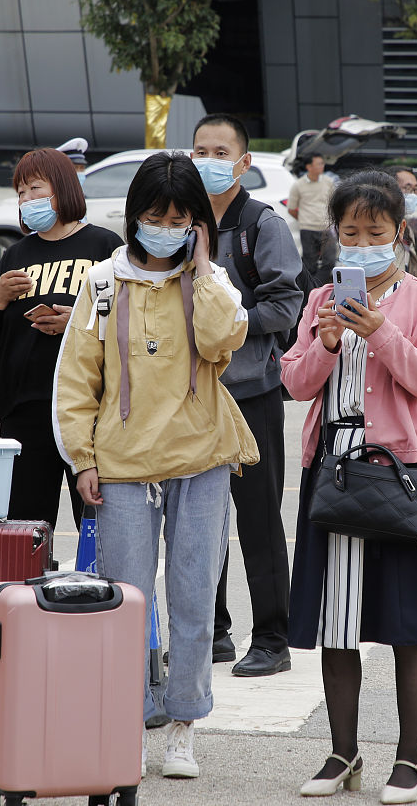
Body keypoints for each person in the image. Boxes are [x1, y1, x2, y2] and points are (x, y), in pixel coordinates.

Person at [54, 151, 258, 780]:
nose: (165, 228)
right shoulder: (102, 284)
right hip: (120, 466)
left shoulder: (213, 283)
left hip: (201, 458)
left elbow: (225, 339)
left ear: (198, 223)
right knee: (125, 602)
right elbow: (75, 380)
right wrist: (82, 459)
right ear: (134, 216)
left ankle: (183, 725)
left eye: (180, 218)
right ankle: (127, 721)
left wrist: (201, 269)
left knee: (195, 598)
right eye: (154, 216)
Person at [283, 170, 417, 805]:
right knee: (338, 620)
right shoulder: (319, 299)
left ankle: (409, 760)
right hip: (333, 470)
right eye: (349, 232)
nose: (360, 243)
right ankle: (342, 751)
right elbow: (296, 385)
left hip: (401, 474)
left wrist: (379, 331)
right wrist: (327, 343)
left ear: (399, 233)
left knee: (412, 623)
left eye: (374, 232)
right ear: (335, 235)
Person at [192, 113, 302, 676]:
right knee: (199, 518)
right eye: (199, 150)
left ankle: (272, 638)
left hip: (251, 389)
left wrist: (226, 326)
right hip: (191, 396)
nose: (208, 160)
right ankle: (213, 630)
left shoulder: (263, 224)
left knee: (257, 517)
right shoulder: (179, 225)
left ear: (243, 162)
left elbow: (286, 306)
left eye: (220, 151)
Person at [0, 148, 121, 528]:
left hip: (90, 410)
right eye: (21, 192)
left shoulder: (104, 247)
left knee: (97, 520)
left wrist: (78, 322)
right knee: (27, 525)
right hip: (25, 409)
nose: (27, 200)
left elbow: (130, 322)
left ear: (64, 188)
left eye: (36, 188)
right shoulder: (17, 253)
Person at [288, 153, 336, 277]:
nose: (322, 166)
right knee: (309, 264)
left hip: (325, 228)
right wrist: (305, 220)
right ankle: (310, 291)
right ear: (309, 167)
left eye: (322, 163)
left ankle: (317, 286)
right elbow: (291, 209)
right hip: (307, 229)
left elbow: (333, 203)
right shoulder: (298, 185)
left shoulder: (328, 182)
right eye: (319, 164)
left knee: (330, 260)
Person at [384, 166, 417, 277]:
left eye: (415, 189)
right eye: (407, 188)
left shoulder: (407, 229)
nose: (413, 194)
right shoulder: (380, 228)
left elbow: (415, 272)